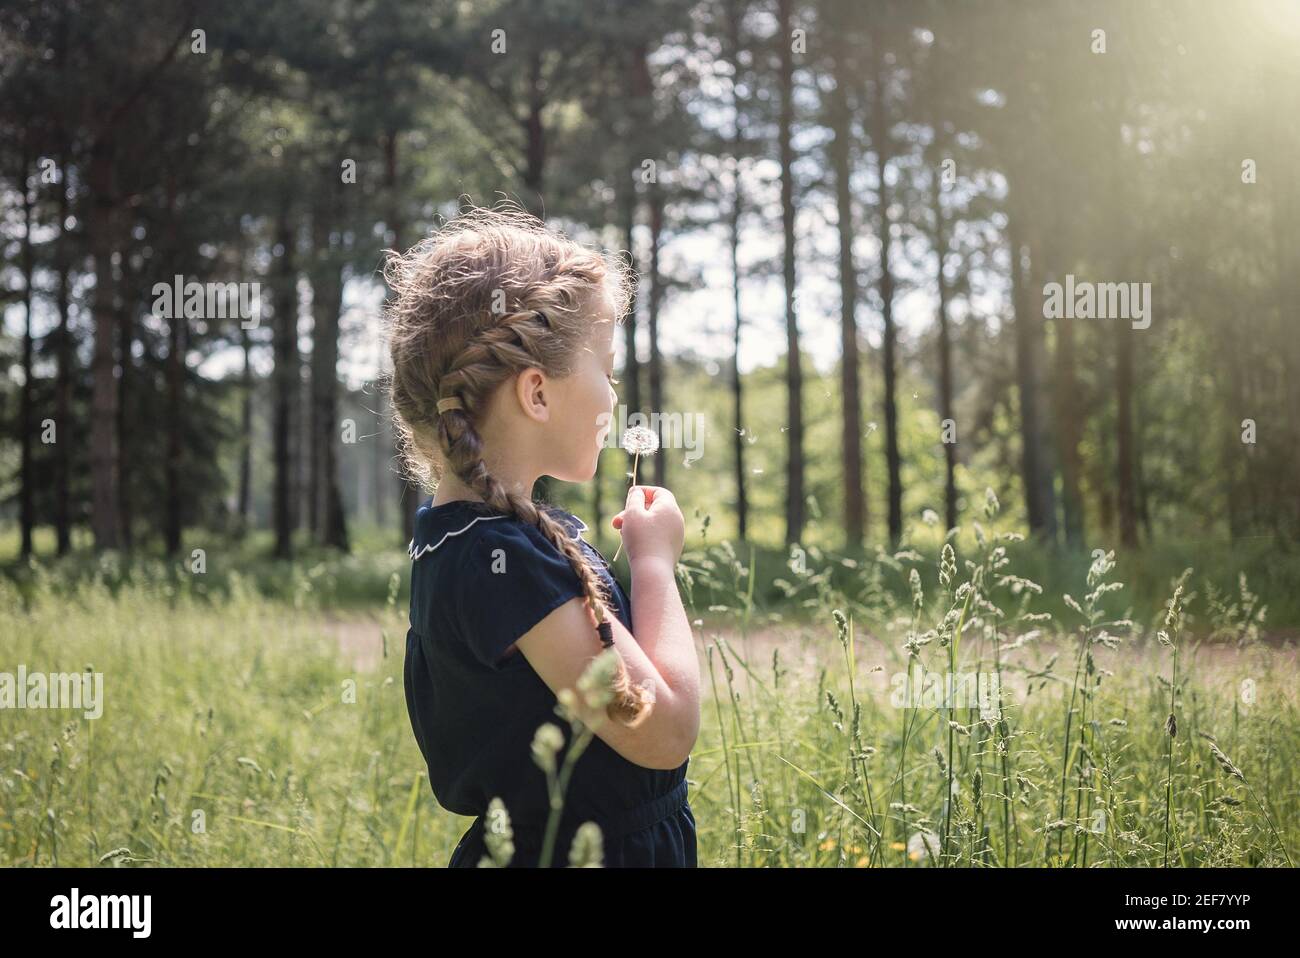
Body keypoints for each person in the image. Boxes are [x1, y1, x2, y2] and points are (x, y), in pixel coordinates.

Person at [385, 202, 701, 867]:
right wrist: (654, 566)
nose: (614, 396)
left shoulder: (466, 545)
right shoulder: (505, 560)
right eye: (606, 368)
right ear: (536, 393)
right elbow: (667, 730)